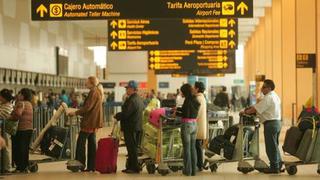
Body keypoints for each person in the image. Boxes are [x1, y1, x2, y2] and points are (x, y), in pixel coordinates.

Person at [240, 79, 282, 174]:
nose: (262, 89)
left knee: (271, 146)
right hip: (277, 122)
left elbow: (256, 109)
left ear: (269, 88)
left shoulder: (268, 97)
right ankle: (278, 164)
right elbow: (259, 106)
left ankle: (274, 167)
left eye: (263, 87)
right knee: (275, 145)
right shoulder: (275, 96)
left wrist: (245, 112)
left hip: (271, 124)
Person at [68, 76, 104, 172]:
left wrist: (75, 112)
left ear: (92, 83)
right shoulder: (97, 91)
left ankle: (80, 164)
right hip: (94, 121)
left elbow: (88, 107)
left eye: (87, 82)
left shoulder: (94, 92)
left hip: (89, 122)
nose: (85, 84)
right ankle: (91, 166)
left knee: (80, 143)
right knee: (91, 144)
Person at [115, 80, 144, 174]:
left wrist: (117, 115)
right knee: (133, 147)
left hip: (131, 127)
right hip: (136, 126)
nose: (126, 90)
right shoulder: (138, 99)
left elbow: (126, 114)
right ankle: (132, 166)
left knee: (131, 148)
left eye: (127, 88)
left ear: (132, 89)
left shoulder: (132, 100)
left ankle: (134, 168)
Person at [176, 84, 200, 176]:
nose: (181, 93)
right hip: (194, 124)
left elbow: (185, 113)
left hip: (186, 125)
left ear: (185, 91)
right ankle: (193, 171)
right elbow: (188, 110)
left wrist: (177, 113)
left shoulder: (187, 100)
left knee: (186, 149)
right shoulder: (195, 99)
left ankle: (187, 171)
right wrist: (178, 109)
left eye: (182, 91)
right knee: (192, 148)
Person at [9, 88, 33, 173]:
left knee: (18, 148)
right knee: (25, 149)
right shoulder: (29, 104)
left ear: (23, 95)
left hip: (21, 129)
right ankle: (24, 167)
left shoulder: (20, 103)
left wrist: (10, 117)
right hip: (29, 129)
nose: (18, 95)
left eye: (19, 94)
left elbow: (18, 114)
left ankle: (20, 167)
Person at [193, 82, 207, 171]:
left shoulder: (198, 98)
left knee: (197, 145)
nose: (193, 89)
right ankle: (200, 164)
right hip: (200, 125)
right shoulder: (202, 98)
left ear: (197, 89)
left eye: (194, 88)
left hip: (196, 125)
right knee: (198, 145)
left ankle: (199, 164)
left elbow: (195, 113)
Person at [0, 89, 14, 173]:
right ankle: (3, 166)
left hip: (6, 130)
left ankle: (8, 167)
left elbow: (2, 115)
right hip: (3, 129)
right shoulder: (3, 104)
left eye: (1, 96)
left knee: (6, 148)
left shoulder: (8, 106)